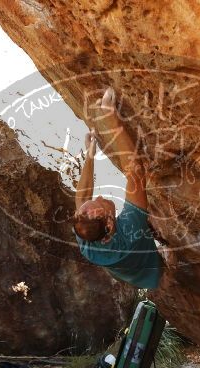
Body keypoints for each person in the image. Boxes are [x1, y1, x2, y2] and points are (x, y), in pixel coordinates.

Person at [73, 88, 163, 289]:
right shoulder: (130, 229)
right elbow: (136, 173)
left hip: (127, 273)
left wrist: (90, 154)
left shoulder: (86, 233)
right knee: (165, 274)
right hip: (152, 271)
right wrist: (111, 118)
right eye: (102, 203)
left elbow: (81, 197)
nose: (101, 196)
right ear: (111, 223)